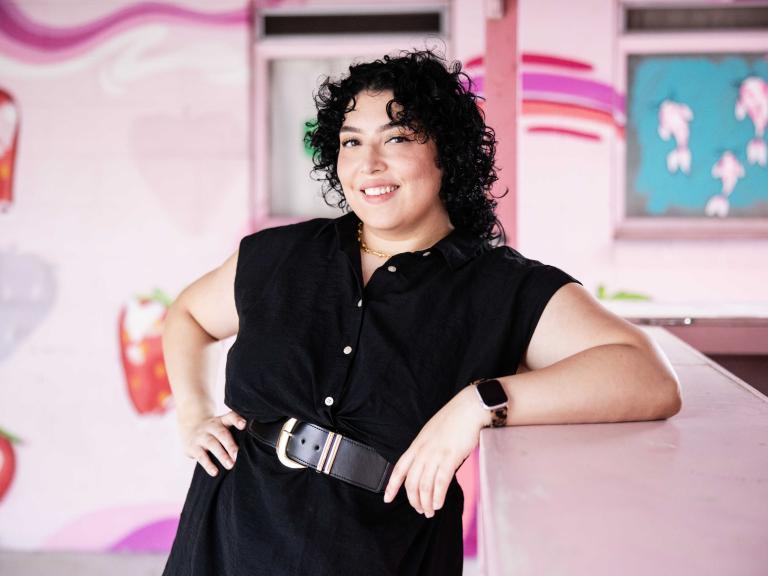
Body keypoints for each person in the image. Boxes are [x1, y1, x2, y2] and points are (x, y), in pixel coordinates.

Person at [160, 49, 682, 576]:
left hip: (386, 554)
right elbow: (187, 316)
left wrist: (479, 403)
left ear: (447, 153)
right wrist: (193, 412)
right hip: (226, 539)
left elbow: (647, 377)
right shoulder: (279, 255)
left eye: (398, 138)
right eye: (351, 142)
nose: (369, 165)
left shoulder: (501, 286)